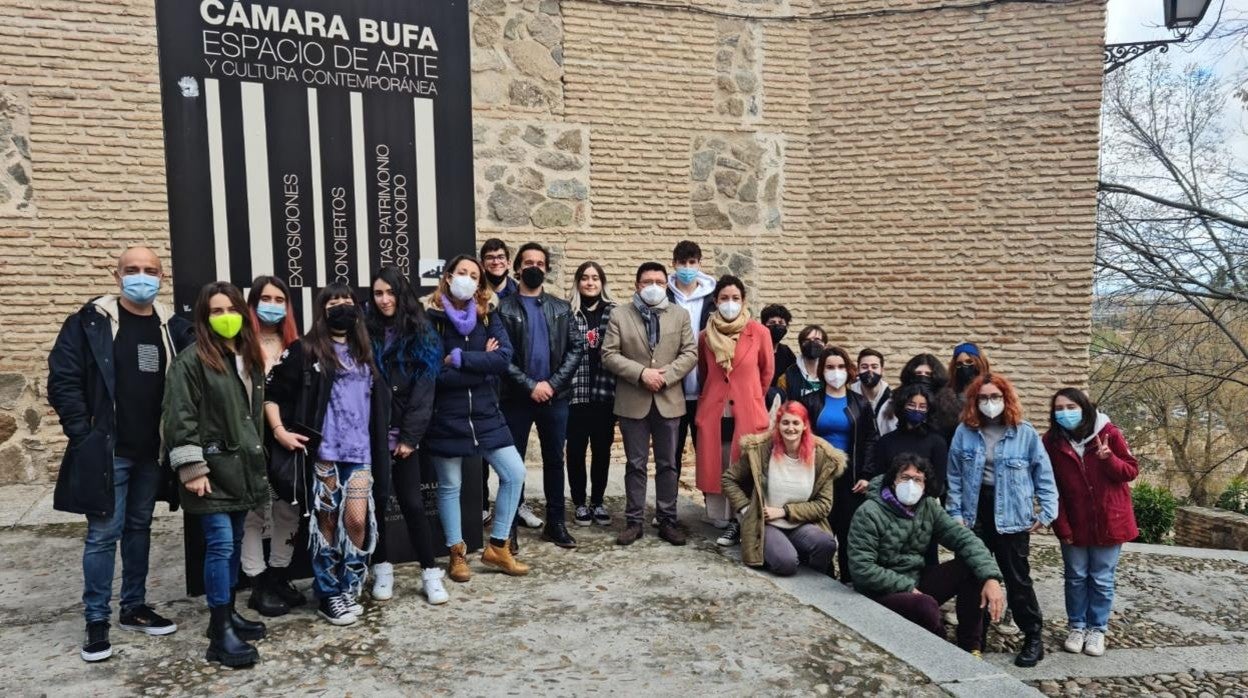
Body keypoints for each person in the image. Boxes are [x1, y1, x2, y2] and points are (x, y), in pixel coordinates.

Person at [48, 246, 192, 663]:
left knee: (138, 530)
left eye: (150, 270)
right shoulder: (88, 323)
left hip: (151, 452)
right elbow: (63, 380)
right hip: (108, 451)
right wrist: (84, 436)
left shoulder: (171, 326)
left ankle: (134, 607)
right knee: (101, 536)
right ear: (117, 275)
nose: (141, 277)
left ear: (162, 277)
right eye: (132, 270)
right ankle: (96, 620)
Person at [265, 283, 391, 626]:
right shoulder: (304, 350)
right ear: (322, 309)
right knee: (327, 524)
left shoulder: (366, 350)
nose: (341, 307)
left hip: (361, 452)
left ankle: (350, 585)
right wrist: (280, 431)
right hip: (324, 453)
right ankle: (328, 594)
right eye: (334, 302)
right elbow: (272, 394)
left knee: (357, 521)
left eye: (348, 302)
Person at [162, 281, 271, 667]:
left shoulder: (248, 357)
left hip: (240, 470)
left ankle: (224, 618)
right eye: (216, 311)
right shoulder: (191, 361)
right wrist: (191, 468)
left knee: (235, 538)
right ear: (204, 318)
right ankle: (219, 634)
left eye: (231, 309)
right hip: (209, 472)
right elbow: (179, 416)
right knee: (221, 544)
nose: (225, 317)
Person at [421, 255, 530, 579]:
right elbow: (433, 372)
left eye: (474, 274)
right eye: (462, 273)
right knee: (450, 484)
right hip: (446, 414)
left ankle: (498, 547)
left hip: (485, 412)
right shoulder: (430, 317)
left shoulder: (488, 313)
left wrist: (459, 359)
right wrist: (480, 365)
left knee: (514, 472)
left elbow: (503, 358)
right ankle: (456, 553)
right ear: (448, 276)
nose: (468, 279)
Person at [946, 373, 1058, 668]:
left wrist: (1047, 511)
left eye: (995, 397)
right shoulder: (964, 432)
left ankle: (1033, 637)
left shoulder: (1025, 433)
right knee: (973, 577)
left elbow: (1043, 474)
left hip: (1012, 515)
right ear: (974, 401)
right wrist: (955, 513)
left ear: (1006, 399)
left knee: (1017, 578)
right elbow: (954, 476)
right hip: (974, 512)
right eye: (983, 398)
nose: (989, 403)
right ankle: (972, 639)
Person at [848, 454, 1006, 655]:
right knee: (926, 605)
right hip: (879, 591)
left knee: (970, 567)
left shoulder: (927, 506)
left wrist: (991, 577)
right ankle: (945, 656)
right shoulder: (869, 512)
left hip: (915, 580)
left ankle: (971, 649)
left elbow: (963, 538)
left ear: (925, 484)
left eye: (918, 479)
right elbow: (862, 568)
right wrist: (906, 587)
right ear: (893, 480)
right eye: (905, 478)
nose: (911, 484)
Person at [364, 267, 448, 605]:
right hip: (370, 435)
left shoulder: (422, 333)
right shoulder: (364, 331)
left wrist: (410, 438)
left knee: (413, 503)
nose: (384, 300)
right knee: (377, 502)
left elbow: (424, 393)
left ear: (402, 294)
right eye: (378, 293)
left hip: (404, 437)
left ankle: (430, 572)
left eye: (390, 292)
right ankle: (382, 568)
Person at [497, 243, 586, 548]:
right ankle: (507, 529)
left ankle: (556, 523)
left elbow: (576, 349)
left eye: (540, 262)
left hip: (555, 399)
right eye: (528, 262)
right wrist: (530, 386)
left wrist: (552, 384)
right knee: (513, 465)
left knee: (553, 461)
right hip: (515, 399)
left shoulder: (561, 308)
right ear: (518, 268)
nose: (534, 267)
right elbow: (501, 356)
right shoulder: (503, 308)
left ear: (547, 269)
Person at [602, 262, 697, 546]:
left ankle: (668, 519)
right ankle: (634, 521)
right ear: (637, 285)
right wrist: (642, 373)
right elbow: (608, 354)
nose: (653, 286)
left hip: (669, 400)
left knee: (669, 464)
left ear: (666, 284)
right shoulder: (620, 314)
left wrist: (663, 377)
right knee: (635, 463)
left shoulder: (679, 315)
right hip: (633, 399)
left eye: (658, 280)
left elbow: (690, 353)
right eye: (647, 281)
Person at [1044, 388, 1140, 658]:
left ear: (1084, 407)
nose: (1065, 412)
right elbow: (1050, 487)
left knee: (1101, 579)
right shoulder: (1051, 442)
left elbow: (1130, 470)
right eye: (1059, 408)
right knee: (1075, 577)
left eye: (1070, 406)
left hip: (1110, 520)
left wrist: (1109, 459)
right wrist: (1060, 525)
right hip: (1073, 521)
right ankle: (1076, 626)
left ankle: (1097, 629)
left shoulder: (1109, 433)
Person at [239, 276, 305, 618]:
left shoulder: (295, 344)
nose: (273, 305)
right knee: (253, 511)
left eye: (280, 299)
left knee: (287, 509)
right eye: (266, 298)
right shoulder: (239, 343)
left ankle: (280, 575)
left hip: (287, 437)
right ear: (252, 302)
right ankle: (257, 583)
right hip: (249, 437)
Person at [694, 275, 774, 546]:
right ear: (715, 301)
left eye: (735, 299)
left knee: (744, 467)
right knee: (721, 463)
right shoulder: (705, 337)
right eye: (725, 299)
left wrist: (751, 397)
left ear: (744, 301)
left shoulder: (759, 332)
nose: (730, 304)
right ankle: (725, 519)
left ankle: (742, 520)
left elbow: (767, 372)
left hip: (748, 410)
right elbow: (705, 373)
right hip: (716, 411)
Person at [721, 402, 843, 575]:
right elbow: (728, 479)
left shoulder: (822, 456)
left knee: (826, 544)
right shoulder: (761, 450)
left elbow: (824, 504)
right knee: (786, 564)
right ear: (777, 425)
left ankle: (809, 569)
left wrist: (785, 511)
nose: (790, 428)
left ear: (805, 425)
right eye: (785, 423)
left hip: (800, 523)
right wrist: (748, 509)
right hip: (767, 523)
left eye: (796, 423)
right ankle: (778, 549)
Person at [799, 345, 878, 583]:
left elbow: (871, 440)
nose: (836, 372)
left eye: (841, 367)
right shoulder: (809, 401)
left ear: (849, 369)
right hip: (819, 476)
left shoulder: (860, 403)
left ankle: (848, 577)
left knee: (849, 531)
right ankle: (821, 574)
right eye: (830, 367)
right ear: (822, 371)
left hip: (851, 478)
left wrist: (866, 474)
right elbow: (800, 437)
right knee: (821, 528)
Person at [478, 238, 538, 528]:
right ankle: (481, 504)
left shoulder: (519, 291)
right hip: (485, 383)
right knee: (480, 450)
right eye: (489, 257)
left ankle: (520, 503)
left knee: (515, 448)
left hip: (515, 385)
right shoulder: (476, 292)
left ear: (507, 260)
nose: (495, 261)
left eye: (500, 256)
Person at [872, 384, 950, 566]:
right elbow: (879, 478)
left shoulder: (936, 442)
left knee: (927, 558)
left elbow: (938, 482)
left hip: (923, 513)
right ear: (901, 406)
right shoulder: (886, 442)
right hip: (890, 510)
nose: (916, 410)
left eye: (922, 406)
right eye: (911, 404)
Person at [567, 261, 617, 527]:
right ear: (578, 282)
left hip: (604, 394)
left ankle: (598, 501)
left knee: (602, 451)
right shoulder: (566, 312)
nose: (590, 282)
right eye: (585, 278)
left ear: (602, 283)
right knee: (575, 451)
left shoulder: (615, 312)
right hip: (575, 395)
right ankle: (579, 502)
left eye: (595, 278)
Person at [667, 240, 716, 476]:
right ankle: (668, 510)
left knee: (708, 452)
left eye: (692, 262)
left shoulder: (714, 298)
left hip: (706, 389)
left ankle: (713, 508)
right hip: (672, 388)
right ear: (674, 264)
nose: (687, 267)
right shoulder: (664, 296)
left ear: (699, 263)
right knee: (670, 454)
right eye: (682, 262)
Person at [880, 353, 962, 438]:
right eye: (918, 373)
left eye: (928, 374)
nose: (923, 377)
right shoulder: (896, 399)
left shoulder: (948, 405)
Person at [776, 325, 826, 401]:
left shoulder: (832, 372)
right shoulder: (787, 377)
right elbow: (782, 407)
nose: (812, 343)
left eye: (817, 340)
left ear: (824, 345)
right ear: (800, 345)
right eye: (807, 340)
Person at [850, 348, 892, 436]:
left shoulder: (892, 400)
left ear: (882, 370)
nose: (870, 370)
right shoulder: (849, 395)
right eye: (864, 367)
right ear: (858, 370)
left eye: (874, 367)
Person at [760, 304, 795, 387]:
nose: (777, 325)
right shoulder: (756, 350)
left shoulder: (786, 352)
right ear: (764, 326)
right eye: (772, 323)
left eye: (781, 323)